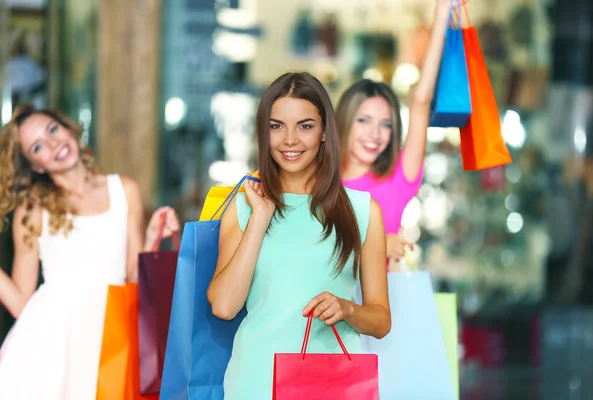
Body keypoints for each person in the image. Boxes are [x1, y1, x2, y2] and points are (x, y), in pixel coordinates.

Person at [207, 72, 391, 399]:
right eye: (276, 126)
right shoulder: (245, 206)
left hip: (334, 386)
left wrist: (348, 310)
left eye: (305, 126)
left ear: (324, 132)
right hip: (255, 383)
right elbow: (223, 306)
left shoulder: (363, 211)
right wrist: (260, 220)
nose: (289, 140)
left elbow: (381, 321)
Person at [0, 104, 180, 399]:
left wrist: (150, 240)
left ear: (68, 128)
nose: (54, 144)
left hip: (113, 331)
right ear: (36, 166)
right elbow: (21, 300)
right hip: (54, 344)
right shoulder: (31, 212)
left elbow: (134, 281)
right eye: (38, 147)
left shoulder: (126, 190)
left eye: (53, 130)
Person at [338, 0, 452, 264]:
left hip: (373, 305)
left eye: (386, 124)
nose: (375, 134)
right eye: (364, 120)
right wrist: (376, 247)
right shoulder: (319, 180)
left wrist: (442, 14)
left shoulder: (398, 179)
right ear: (344, 121)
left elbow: (421, 100)